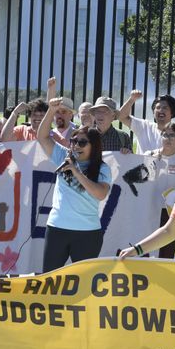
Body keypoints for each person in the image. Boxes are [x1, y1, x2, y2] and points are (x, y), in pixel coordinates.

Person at [37, 96, 111, 273]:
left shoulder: (102, 168)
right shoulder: (64, 156)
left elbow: (100, 194)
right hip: (57, 228)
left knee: (83, 284)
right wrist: (51, 110)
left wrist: (76, 171)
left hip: (88, 233)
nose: (76, 145)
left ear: (94, 146)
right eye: (74, 141)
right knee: (49, 279)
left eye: (82, 142)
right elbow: (42, 136)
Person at [145, 123, 175, 258]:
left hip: (172, 212)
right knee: (149, 246)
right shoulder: (149, 156)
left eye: (172, 135)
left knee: (168, 249)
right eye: (165, 134)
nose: (168, 138)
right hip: (150, 209)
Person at [118, 88, 175, 157]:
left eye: (165, 108)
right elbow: (121, 116)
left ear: (172, 113)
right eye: (158, 108)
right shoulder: (144, 126)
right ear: (153, 112)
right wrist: (132, 99)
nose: (161, 110)